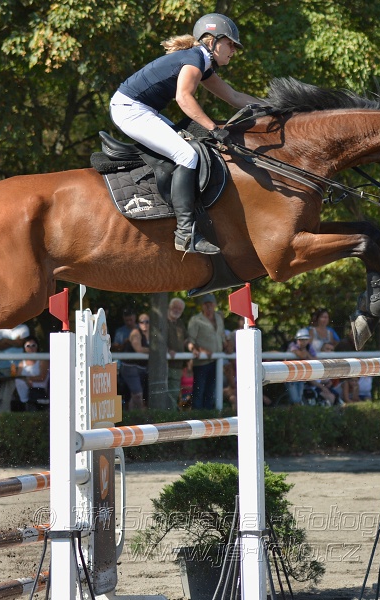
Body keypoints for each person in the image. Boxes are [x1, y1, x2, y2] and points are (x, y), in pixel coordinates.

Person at [110, 13, 262, 255]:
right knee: (187, 155)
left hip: (141, 109)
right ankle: (185, 234)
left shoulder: (202, 63)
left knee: (191, 148)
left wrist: (271, 107)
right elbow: (183, 97)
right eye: (230, 43)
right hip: (130, 110)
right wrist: (213, 128)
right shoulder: (193, 59)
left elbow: (234, 97)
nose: (234, 50)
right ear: (211, 40)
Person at [187, 293, 225, 409]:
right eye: (206, 304)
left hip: (216, 361)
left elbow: (222, 336)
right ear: (202, 306)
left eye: (211, 304)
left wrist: (227, 345)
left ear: (215, 305)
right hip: (202, 362)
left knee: (211, 391)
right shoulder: (195, 320)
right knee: (199, 391)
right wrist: (199, 350)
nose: (208, 307)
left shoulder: (219, 318)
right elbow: (190, 341)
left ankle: (208, 418)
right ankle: (197, 418)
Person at [121, 314, 150, 411]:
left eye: (147, 321)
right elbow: (138, 349)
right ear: (138, 323)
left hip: (142, 369)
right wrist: (154, 351)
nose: (144, 324)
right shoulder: (135, 333)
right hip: (130, 368)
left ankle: (132, 418)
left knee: (135, 396)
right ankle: (143, 416)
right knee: (138, 394)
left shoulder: (153, 334)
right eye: (142, 322)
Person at [13, 336, 50, 412]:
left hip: (40, 390)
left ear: (37, 347)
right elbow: (18, 378)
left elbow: (42, 377)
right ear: (24, 348)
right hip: (25, 391)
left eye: (33, 345)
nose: (31, 348)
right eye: (28, 346)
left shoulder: (42, 361)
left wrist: (28, 379)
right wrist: (27, 380)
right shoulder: (21, 363)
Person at [166, 298, 189, 404]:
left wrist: (193, 348)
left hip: (177, 366)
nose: (177, 310)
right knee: (162, 394)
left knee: (173, 394)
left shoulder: (180, 323)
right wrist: (167, 350)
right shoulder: (162, 321)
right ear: (170, 307)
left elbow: (186, 340)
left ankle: (170, 417)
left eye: (179, 309)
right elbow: (156, 340)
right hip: (163, 365)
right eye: (175, 307)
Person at [285, 328, 316, 404]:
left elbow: (315, 359)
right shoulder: (292, 345)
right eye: (301, 339)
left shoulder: (309, 347)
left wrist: (306, 354)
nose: (303, 342)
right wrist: (306, 354)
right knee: (295, 399)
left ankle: (294, 413)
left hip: (301, 375)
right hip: (290, 376)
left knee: (298, 398)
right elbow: (302, 355)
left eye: (305, 339)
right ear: (297, 340)